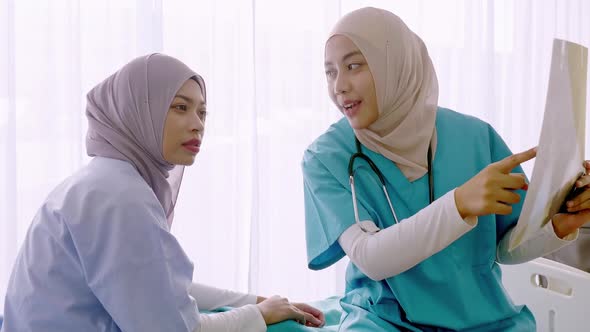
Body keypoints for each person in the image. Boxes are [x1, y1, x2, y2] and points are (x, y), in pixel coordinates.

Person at [302, 7, 590, 331]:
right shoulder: (326, 157)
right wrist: (459, 203)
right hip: (382, 321)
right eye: (330, 72)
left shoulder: (475, 138)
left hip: (480, 319)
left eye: (353, 66)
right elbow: (370, 257)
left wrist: (558, 226)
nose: (339, 86)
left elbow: (505, 248)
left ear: (394, 63)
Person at [1, 54, 324, 331]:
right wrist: (258, 315)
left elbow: (159, 287)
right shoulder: (119, 197)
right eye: (180, 107)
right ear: (138, 111)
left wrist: (257, 301)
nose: (197, 124)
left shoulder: (106, 179)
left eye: (202, 112)